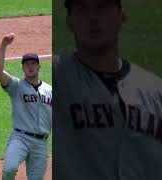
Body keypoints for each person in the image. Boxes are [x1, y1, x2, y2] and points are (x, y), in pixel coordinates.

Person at [53, 0, 162, 179]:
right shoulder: (58, 77)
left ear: (122, 16)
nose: (93, 17)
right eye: (82, 9)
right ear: (69, 22)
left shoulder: (155, 92)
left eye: (102, 7)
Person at [0, 32, 52, 180]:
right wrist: (3, 45)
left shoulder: (50, 90)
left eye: (33, 64)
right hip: (20, 138)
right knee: (9, 169)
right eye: (26, 64)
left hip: (41, 142)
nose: (30, 67)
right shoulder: (16, 86)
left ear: (39, 67)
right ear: (22, 68)